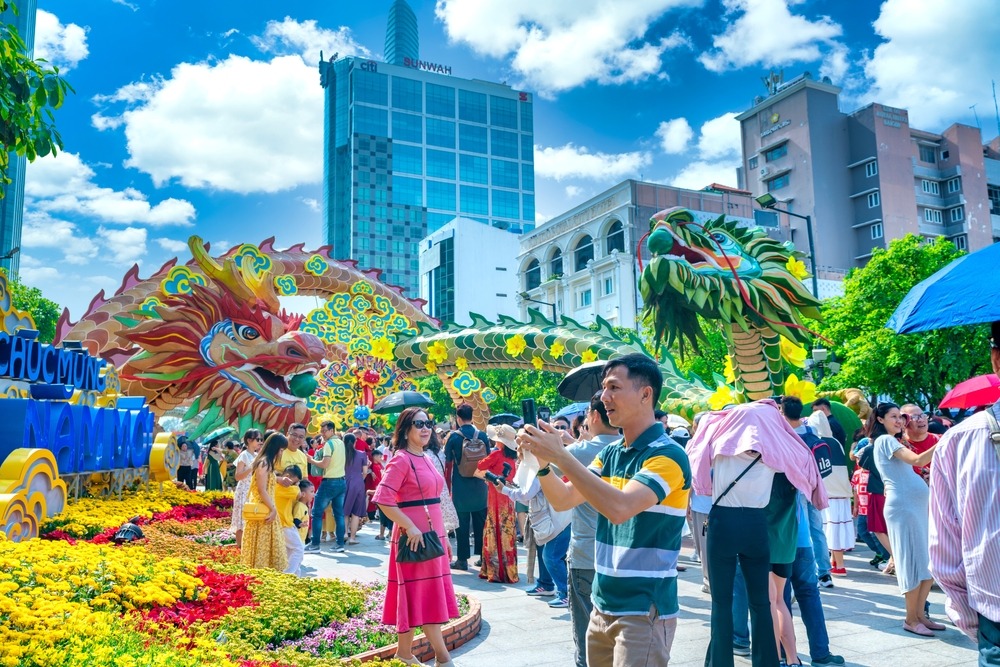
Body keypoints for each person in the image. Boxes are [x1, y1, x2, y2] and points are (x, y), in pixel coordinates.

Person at [519, 354, 691, 667]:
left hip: (643, 609)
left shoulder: (669, 455)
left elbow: (620, 508)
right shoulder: (611, 452)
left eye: (614, 387)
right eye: (604, 388)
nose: (604, 397)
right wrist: (543, 465)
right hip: (601, 603)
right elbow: (563, 500)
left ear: (645, 394)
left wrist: (561, 456)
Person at [689, 400, 829, 667]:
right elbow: (805, 461)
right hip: (756, 525)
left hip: (723, 522)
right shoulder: (776, 451)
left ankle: (719, 663)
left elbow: (694, 455)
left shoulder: (718, 443)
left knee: (721, 602)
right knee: (762, 603)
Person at [929, 320, 1000, 664]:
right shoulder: (958, 441)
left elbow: (945, 550)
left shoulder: (959, 440)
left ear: (996, 360)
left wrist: (974, 621)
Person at [373, 408, 459, 667]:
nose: (425, 428)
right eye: (418, 424)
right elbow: (383, 499)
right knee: (425, 595)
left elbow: (434, 501)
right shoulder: (401, 459)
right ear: (405, 429)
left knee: (416, 595)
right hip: (414, 538)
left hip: (431, 537)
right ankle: (443, 658)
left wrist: (444, 537)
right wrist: (409, 526)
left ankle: (404, 654)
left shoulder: (425, 457)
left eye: (428, 423)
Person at [870, 402, 940, 636]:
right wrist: (945, 442)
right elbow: (918, 460)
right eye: (893, 417)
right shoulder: (885, 440)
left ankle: (920, 615)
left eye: (901, 417)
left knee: (925, 562)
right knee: (911, 562)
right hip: (904, 508)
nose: (899, 421)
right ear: (880, 420)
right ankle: (911, 618)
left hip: (914, 508)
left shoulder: (893, 441)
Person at [565, 392, 621, 667]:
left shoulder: (577, 453)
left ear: (595, 415)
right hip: (623, 558)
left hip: (587, 554)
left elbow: (552, 492)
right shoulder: (632, 449)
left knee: (587, 636)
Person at [474, 424, 519, 583]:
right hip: (508, 498)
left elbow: (480, 465)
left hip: (495, 499)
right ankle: (509, 571)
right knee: (507, 534)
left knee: (493, 531)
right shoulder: (513, 457)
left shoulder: (496, 454)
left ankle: (494, 571)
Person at [445, 404, 488, 571]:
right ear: (472, 416)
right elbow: (488, 459)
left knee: (461, 524)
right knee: (481, 523)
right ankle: (483, 558)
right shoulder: (482, 435)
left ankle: (462, 560)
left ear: (458, 418)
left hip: (461, 487)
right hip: (480, 485)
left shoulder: (454, 437)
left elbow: (448, 462)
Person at [241, 432, 289, 572]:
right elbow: (261, 490)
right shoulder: (264, 463)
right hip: (263, 511)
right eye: (281, 450)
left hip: (266, 508)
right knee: (263, 547)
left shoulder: (266, 462)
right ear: (275, 448)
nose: (281, 453)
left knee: (267, 547)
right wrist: (273, 509)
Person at [306, 421, 347, 553]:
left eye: (324, 431)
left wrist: (311, 460)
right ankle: (340, 544)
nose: (322, 433)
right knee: (339, 514)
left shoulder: (329, 444)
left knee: (316, 513)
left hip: (329, 482)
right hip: (341, 481)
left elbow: (324, 464)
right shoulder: (340, 442)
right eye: (321, 431)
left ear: (331, 430)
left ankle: (315, 544)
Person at [231, 429, 263, 548]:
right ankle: (240, 546)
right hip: (243, 490)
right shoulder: (244, 455)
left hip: (253, 490)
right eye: (258, 439)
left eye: (261, 439)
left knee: (251, 518)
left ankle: (248, 546)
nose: (260, 442)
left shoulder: (256, 455)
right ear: (249, 440)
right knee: (241, 519)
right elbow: (238, 476)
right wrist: (251, 467)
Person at [426, 430, 460, 537]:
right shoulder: (439, 453)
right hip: (443, 489)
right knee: (441, 527)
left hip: (431, 491)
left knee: (431, 526)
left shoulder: (424, 455)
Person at [275, 464, 305, 576]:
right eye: (294, 482)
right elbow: (299, 494)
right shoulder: (285, 488)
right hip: (285, 524)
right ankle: (288, 575)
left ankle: (295, 576)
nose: (295, 485)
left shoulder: (275, 485)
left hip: (281, 523)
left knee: (290, 552)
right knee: (298, 549)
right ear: (287, 477)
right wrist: (296, 485)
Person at [343, 433, 370, 545]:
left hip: (344, 482)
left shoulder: (342, 454)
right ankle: (352, 538)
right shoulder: (362, 454)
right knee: (356, 513)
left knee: (344, 511)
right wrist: (359, 479)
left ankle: (344, 533)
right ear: (355, 442)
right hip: (358, 483)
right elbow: (365, 472)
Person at [902, 404, 938, 478]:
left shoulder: (941, 440)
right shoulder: (898, 445)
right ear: (904, 422)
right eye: (914, 417)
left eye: (923, 415)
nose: (921, 420)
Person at [294, 479, 314, 544]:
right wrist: (300, 524)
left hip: (302, 538)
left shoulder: (304, 505)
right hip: (298, 539)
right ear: (303, 494)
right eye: (311, 492)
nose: (313, 494)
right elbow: (296, 519)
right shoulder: (299, 506)